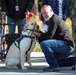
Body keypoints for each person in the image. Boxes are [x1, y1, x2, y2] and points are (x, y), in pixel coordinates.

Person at [33, 5, 76, 72]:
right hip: (67, 46)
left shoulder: (54, 19)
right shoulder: (51, 19)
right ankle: (74, 60)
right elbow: (49, 35)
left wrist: (38, 34)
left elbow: (49, 36)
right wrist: (39, 33)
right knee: (55, 61)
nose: (44, 15)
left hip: (67, 45)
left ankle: (54, 67)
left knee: (44, 44)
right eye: (43, 13)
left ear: (51, 11)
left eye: (46, 12)